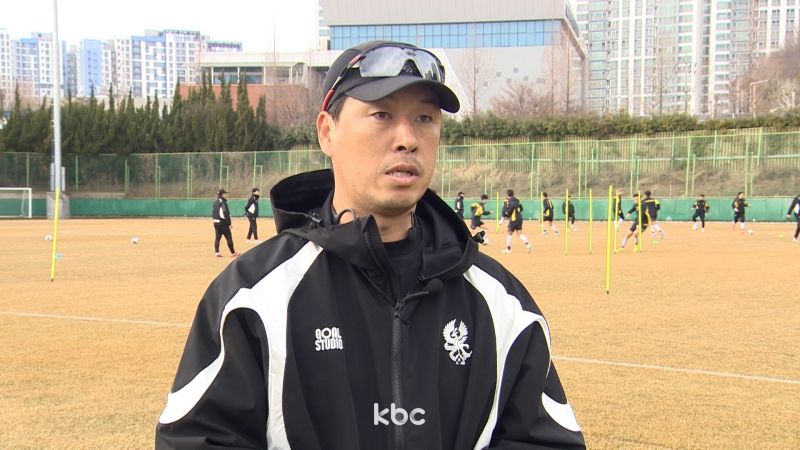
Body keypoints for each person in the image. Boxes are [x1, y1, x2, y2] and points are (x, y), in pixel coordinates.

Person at [155, 40, 584, 449]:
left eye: (425, 118)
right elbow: (197, 439)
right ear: (327, 132)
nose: (407, 138)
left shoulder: (501, 303)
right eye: (382, 114)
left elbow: (545, 441)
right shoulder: (255, 296)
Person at [211, 189, 241, 258]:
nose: (225, 195)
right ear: (222, 194)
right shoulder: (223, 202)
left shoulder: (215, 202)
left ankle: (217, 252)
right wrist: (229, 223)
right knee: (228, 237)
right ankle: (233, 252)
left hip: (216, 222)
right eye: (224, 194)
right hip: (222, 222)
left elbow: (213, 213)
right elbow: (224, 213)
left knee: (217, 238)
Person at [500, 189, 531, 254]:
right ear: (513, 194)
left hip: (513, 219)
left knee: (509, 233)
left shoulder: (507, 201)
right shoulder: (517, 200)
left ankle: (508, 249)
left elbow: (507, 209)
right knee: (520, 234)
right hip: (519, 218)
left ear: (507, 194)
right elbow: (521, 209)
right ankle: (527, 244)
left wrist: (508, 213)